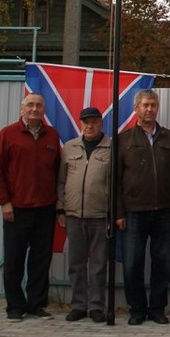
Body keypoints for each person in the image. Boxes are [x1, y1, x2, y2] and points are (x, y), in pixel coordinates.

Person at [0, 92, 62, 322]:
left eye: (39, 105)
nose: (34, 109)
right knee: (14, 259)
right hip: (17, 208)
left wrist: (57, 204)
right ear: (22, 109)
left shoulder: (52, 135)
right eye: (30, 105)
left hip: (45, 208)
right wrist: (4, 202)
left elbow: (57, 170)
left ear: (44, 110)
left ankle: (36, 305)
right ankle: (15, 306)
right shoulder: (7, 134)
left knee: (41, 260)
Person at [115, 88, 170, 326]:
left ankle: (157, 309)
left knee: (163, 263)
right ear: (136, 108)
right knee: (133, 263)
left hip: (164, 211)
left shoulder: (169, 137)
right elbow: (115, 179)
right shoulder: (124, 139)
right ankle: (136, 309)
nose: (149, 109)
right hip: (133, 212)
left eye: (153, 105)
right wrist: (118, 212)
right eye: (145, 105)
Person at [56, 106, 112, 323]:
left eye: (94, 122)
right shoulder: (69, 148)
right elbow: (61, 181)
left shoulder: (111, 148)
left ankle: (96, 306)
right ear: (81, 124)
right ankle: (78, 305)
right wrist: (61, 209)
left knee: (99, 264)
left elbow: (115, 184)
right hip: (74, 215)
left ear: (101, 124)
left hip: (100, 215)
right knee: (76, 263)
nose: (90, 126)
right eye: (86, 122)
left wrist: (112, 213)